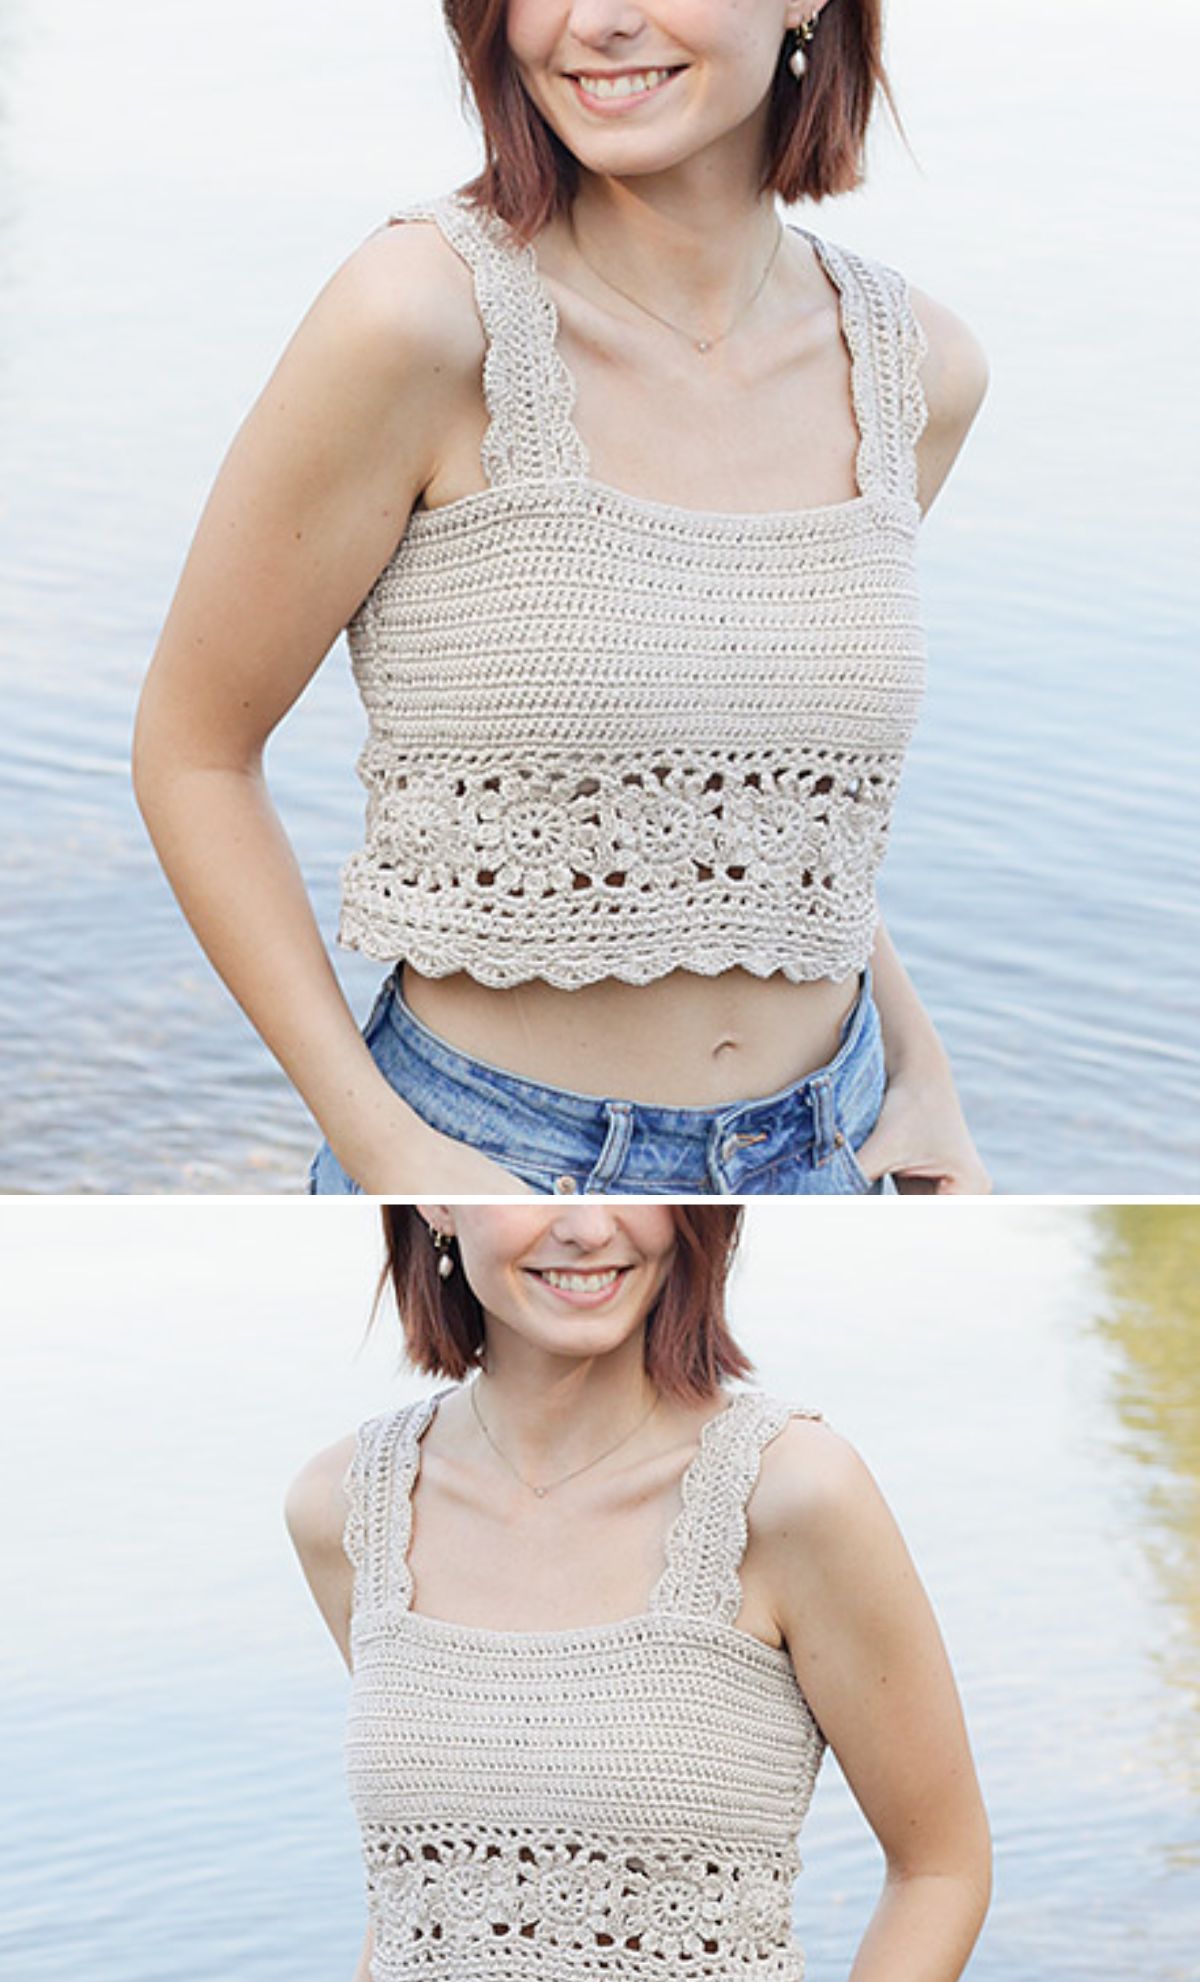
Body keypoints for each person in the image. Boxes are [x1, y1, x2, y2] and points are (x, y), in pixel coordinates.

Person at [132, 3, 991, 1198]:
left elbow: (764, 824)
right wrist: (387, 1148)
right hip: (490, 1156)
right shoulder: (418, 317)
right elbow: (193, 756)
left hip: (838, 1144)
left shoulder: (916, 369)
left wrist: (923, 1073)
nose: (594, 22)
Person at [282, 1200, 992, 1982]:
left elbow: (943, 1867)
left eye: (632, 1196)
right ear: (438, 1208)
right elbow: (448, 1882)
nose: (590, 1226)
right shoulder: (343, 1505)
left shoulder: (792, 1491)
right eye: (534, 1192)